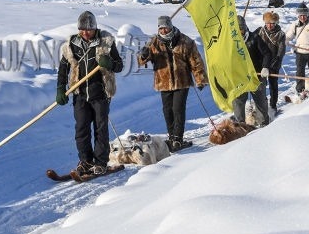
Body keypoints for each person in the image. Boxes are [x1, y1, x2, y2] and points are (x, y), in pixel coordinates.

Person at [56, 11, 123, 177]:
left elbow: (119, 65)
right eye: (82, 29)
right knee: (81, 129)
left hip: (100, 93)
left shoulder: (106, 42)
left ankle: (100, 162)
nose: (85, 32)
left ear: (95, 28)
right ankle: (85, 161)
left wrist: (109, 63)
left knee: (101, 129)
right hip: (79, 93)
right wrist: (60, 88)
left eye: (89, 29)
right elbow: (63, 69)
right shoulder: (71, 45)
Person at [138, 15, 208, 151]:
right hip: (163, 82)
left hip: (182, 81)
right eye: (160, 28)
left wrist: (200, 79)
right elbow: (142, 61)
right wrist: (144, 54)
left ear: (171, 27)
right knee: (167, 110)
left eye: (165, 28)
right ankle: (171, 137)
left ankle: (177, 139)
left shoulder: (185, 41)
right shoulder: (153, 43)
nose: (163, 31)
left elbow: (196, 61)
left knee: (178, 109)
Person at [231, 15, 270, 127]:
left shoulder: (254, 38)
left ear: (245, 27)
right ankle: (240, 125)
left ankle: (263, 123)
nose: (240, 32)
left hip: (256, 75)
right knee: (238, 100)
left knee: (260, 100)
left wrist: (265, 67)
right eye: (237, 29)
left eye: (241, 29)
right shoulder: (231, 41)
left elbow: (267, 53)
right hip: (239, 77)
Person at [284, 2, 309, 97]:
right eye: (300, 15)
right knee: (299, 72)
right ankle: (300, 90)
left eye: (304, 15)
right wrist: (284, 40)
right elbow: (289, 36)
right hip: (300, 52)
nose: (302, 17)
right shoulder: (295, 25)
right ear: (298, 16)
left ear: (307, 15)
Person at [254, 10, 286, 111]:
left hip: (274, 62)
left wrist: (278, 59)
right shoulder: (260, 31)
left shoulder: (280, 34)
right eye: (267, 23)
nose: (269, 25)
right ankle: (262, 105)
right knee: (261, 85)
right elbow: (251, 39)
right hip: (262, 62)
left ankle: (273, 105)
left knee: (273, 84)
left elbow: (281, 49)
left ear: (276, 23)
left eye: (272, 23)